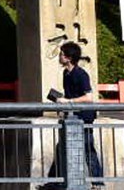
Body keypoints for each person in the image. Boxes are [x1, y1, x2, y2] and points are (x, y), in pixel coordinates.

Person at [44, 41, 102, 186]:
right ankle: (52, 181)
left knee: (88, 149)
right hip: (72, 115)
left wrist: (68, 101)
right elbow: (70, 95)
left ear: (69, 58)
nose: (59, 56)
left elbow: (89, 97)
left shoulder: (81, 74)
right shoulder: (66, 73)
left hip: (84, 116)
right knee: (61, 147)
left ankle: (98, 183)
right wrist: (62, 101)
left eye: (62, 54)